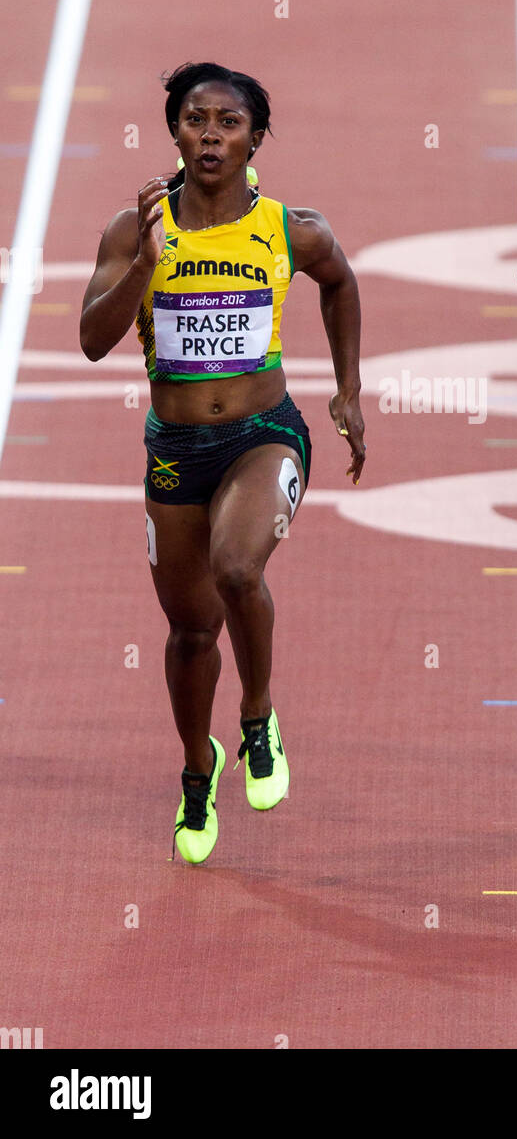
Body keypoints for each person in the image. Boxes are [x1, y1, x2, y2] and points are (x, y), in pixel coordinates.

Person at [80, 61, 365, 859]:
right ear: (174, 131)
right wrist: (144, 263)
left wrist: (349, 390)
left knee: (238, 570)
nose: (211, 135)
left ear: (255, 138)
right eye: (196, 120)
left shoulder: (288, 228)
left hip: (262, 434)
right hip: (176, 451)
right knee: (190, 632)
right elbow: (93, 342)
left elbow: (339, 281)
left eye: (228, 122)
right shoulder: (132, 228)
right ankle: (195, 770)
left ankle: (258, 718)